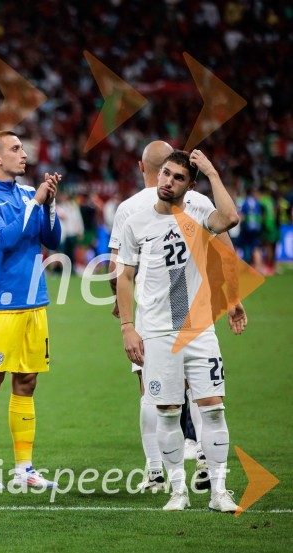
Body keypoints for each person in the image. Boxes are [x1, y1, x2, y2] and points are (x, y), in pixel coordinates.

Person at [108, 141, 246, 492]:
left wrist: (123, 312)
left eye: (177, 175)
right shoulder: (198, 201)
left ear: (141, 166)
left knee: (152, 395)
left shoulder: (128, 209)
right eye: (167, 172)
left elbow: (118, 270)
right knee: (202, 397)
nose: (169, 180)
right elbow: (225, 245)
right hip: (190, 312)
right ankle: (202, 457)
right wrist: (233, 295)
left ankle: (156, 472)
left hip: (153, 319)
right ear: (162, 169)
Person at [0, 131, 62, 491]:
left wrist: (49, 203)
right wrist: (36, 203)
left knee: (28, 382)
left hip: (35, 301)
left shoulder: (25, 194)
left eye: (24, 147)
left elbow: (52, 240)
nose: (25, 154)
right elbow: (4, 240)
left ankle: (24, 470)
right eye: (16, 149)